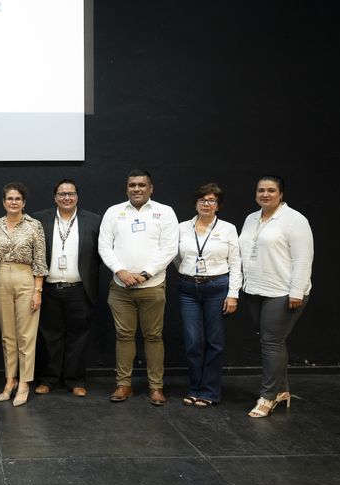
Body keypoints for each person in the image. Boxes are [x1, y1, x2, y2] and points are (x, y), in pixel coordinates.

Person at [98, 169, 179, 406]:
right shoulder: (114, 212)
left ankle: (156, 387)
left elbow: (169, 248)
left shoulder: (164, 212)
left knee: (153, 336)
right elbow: (104, 246)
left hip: (152, 286)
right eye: (132, 185)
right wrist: (120, 271)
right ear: (127, 188)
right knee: (124, 336)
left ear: (151, 188)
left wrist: (146, 274)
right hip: (120, 287)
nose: (136, 189)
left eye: (142, 185)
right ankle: (124, 385)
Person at [239, 175, 313, 418]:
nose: (265, 194)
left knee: (271, 343)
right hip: (255, 290)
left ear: (281, 194)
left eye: (271, 190)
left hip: (283, 292)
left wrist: (297, 291)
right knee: (272, 342)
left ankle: (267, 397)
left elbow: (303, 259)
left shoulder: (295, 220)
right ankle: (282, 391)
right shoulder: (251, 218)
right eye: (261, 190)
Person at [33, 179, 102, 398]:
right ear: (55, 197)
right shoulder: (39, 219)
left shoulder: (93, 221)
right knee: (49, 337)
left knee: (78, 337)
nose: (66, 198)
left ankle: (75, 380)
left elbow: (100, 256)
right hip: (49, 288)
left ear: (77, 197)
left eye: (71, 194)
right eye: (62, 194)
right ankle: (49, 379)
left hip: (79, 289)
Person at [175, 183, 241, 407]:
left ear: (218, 206)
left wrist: (233, 295)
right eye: (202, 199)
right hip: (187, 289)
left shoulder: (228, 229)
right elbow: (176, 257)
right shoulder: (182, 227)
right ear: (195, 203)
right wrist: (188, 272)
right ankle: (194, 388)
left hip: (217, 288)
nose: (206, 203)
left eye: (211, 200)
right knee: (193, 341)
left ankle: (209, 391)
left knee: (214, 342)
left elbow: (235, 263)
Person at [0, 182, 48, 407]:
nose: (13, 202)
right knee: (7, 335)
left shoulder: (34, 225)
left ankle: (24, 382)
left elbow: (40, 259)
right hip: (1, 277)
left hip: (26, 278)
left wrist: (38, 290)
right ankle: (10, 380)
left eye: (17, 199)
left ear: (24, 202)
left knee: (26, 335)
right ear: (3, 202)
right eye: (9, 198)